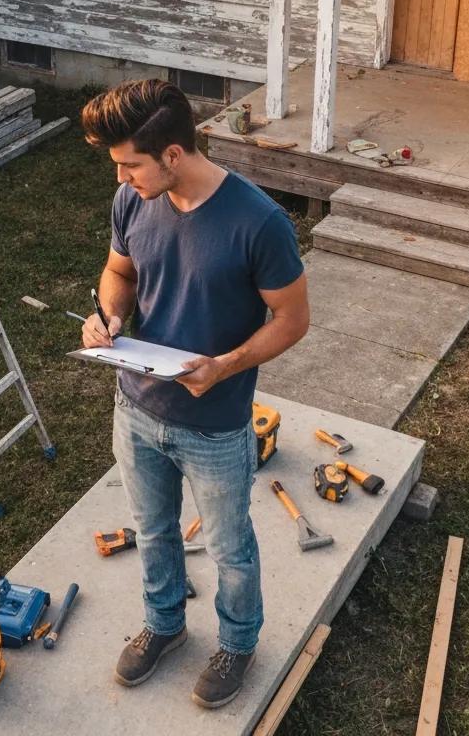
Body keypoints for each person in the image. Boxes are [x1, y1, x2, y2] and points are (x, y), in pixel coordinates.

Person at [80, 79, 309, 709]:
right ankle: (165, 624)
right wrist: (109, 317)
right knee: (153, 531)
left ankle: (238, 642)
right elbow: (119, 271)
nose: (123, 178)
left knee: (229, 547)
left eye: (131, 164)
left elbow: (292, 321)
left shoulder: (259, 222)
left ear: (174, 155)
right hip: (136, 407)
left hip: (214, 422)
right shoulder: (132, 200)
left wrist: (227, 366)